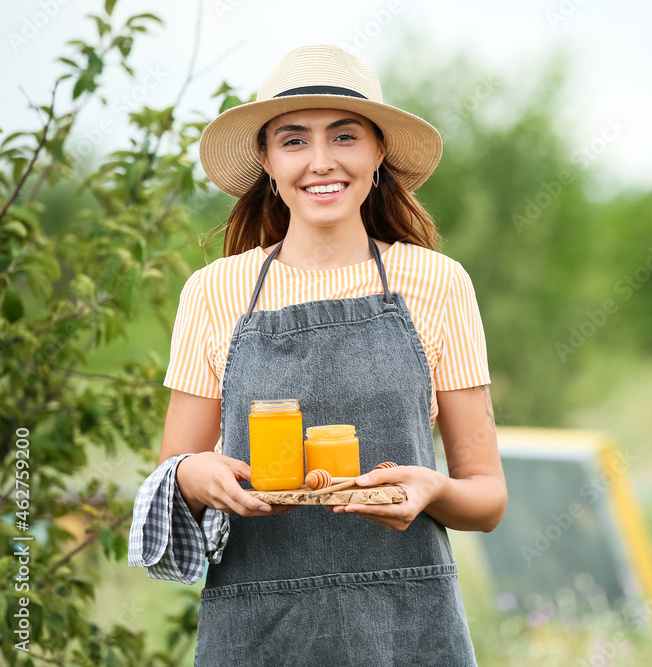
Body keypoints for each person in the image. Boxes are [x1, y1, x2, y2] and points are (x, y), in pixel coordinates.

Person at [127, 44, 506, 665]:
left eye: (345, 136)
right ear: (267, 161)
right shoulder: (214, 292)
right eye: (295, 140)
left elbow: (486, 497)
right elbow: (177, 473)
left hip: (407, 627)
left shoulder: (438, 283)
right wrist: (196, 476)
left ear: (379, 153)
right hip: (256, 628)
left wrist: (431, 491)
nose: (321, 162)